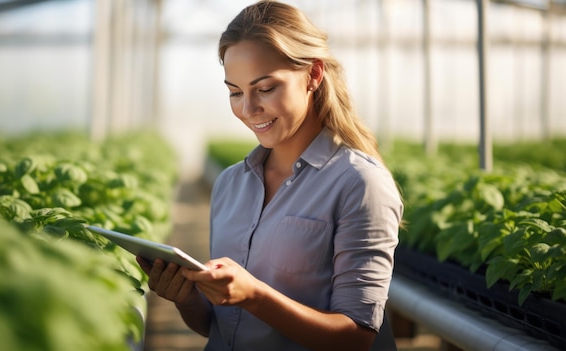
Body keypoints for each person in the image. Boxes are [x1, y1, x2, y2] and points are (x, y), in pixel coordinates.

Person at [136, 1, 403, 350]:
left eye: (265, 89)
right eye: (235, 92)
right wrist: (186, 297)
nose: (248, 110)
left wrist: (254, 296)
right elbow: (222, 327)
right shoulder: (231, 184)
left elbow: (356, 337)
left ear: (314, 74)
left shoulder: (359, 184)